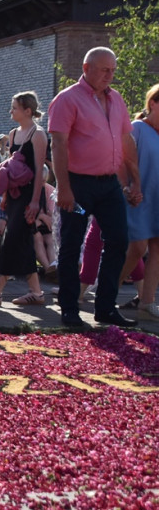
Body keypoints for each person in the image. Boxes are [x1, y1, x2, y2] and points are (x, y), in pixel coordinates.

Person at [48, 47, 141, 328]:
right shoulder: (67, 99)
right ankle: (69, 309)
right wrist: (63, 188)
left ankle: (105, 307)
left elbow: (125, 142)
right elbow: (59, 144)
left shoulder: (116, 100)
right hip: (77, 183)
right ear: (87, 68)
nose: (110, 76)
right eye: (104, 70)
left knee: (118, 240)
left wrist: (134, 180)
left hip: (109, 183)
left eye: (113, 70)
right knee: (71, 244)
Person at [0, 92, 48, 307]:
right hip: (14, 196)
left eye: (14, 107)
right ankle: (36, 292)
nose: (10, 111)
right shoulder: (13, 134)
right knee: (22, 241)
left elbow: (38, 172)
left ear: (28, 111)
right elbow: (9, 169)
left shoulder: (38, 134)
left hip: (30, 195)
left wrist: (35, 202)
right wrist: (5, 196)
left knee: (13, 239)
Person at [117, 83, 159, 322]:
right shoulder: (137, 128)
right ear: (153, 103)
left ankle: (147, 302)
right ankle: (108, 291)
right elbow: (121, 162)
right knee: (137, 248)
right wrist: (127, 188)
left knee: (157, 249)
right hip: (137, 198)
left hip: (158, 198)